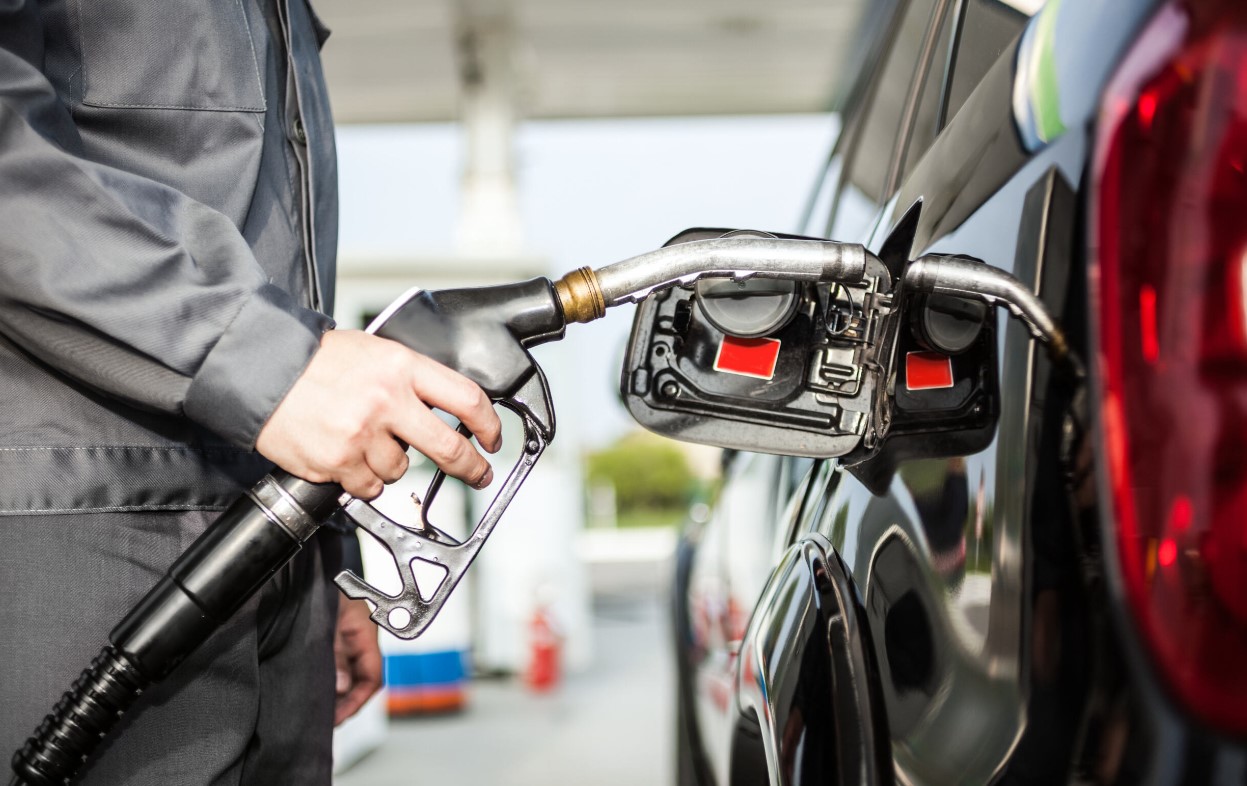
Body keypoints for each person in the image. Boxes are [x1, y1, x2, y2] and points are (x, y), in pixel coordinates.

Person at [0, 1, 501, 783]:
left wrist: (329, 555)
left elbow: (273, 249)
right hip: (73, 543)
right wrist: (270, 364)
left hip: (276, 551)